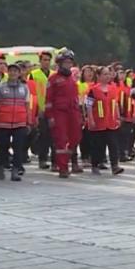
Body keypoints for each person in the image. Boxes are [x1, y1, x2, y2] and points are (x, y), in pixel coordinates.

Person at [46, 49, 83, 178]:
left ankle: (65, 160)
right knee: (61, 140)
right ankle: (63, 167)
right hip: (59, 113)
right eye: (65, 62)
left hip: (73, 112)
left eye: (70, 62)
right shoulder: (53, 79)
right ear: (60, 63)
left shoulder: (72, 79)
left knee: (76, 138)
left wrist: (79, 115)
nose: (68, 65)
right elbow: (48, 100)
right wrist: (50, 116)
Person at [0, 61, 30, 181]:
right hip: (3, 122)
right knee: (4, 146)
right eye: (11, 71)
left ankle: (15, 170)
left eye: (16, 71)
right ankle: (1, 166)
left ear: (19, 73)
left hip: (20, 122)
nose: (13, 73)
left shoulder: (24, 88)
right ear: (8, 72)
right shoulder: (0, 88)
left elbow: (28, 106)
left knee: (18, 147)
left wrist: (29, 122)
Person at [86, 67, 124, 176]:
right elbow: (88, 106)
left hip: (110, 122)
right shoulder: (92, 90)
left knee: (113, 144)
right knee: (98, 146)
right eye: (104, 74)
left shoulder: (113, 88)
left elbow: (115, 104)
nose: (107, 76)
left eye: (108, 74)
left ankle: (115, 166)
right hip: (98, 122)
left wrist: (117, 117)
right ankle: (95, 165)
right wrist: (91, 119)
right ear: (98, 76)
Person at [29, 50, 54, 170]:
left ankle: (55, 160)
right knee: (43, 135)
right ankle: (42, 159)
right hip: (40, 109)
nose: (47, 62)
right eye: (44, 60)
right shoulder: (33, 74)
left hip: (53, 109)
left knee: (54, 135)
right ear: (40, 61)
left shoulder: (54, 74)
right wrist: (36, 109)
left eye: (49, 60)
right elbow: (32, 94)